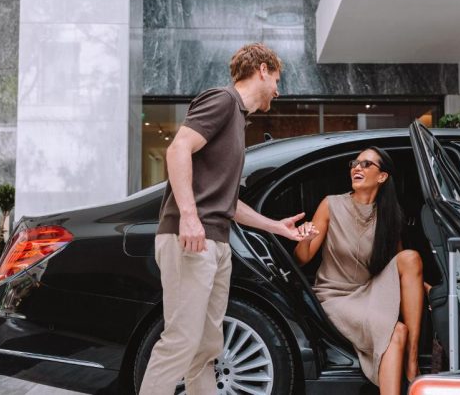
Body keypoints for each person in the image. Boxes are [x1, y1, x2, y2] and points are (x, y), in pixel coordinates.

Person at [139, 43, 306, 395]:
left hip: (216, 241)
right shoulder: (222, 100)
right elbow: (178, 149)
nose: (278, 91)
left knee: (208, 344)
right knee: (182, 339)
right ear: (262, 70)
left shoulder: (237, 120)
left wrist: (276, 226)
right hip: (191, 240)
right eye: (277, 80)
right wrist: (189, 217)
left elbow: (228, 202)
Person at [294, 147, 424, 394]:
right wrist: (305, 239)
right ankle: (406, 375)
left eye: (366, 164)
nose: (357, 167)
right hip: (335, 295)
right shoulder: (331, 205)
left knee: (411, 257)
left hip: (369, 289)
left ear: (382, 176)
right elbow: (302, 259)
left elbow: (399, 265)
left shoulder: (389, 215)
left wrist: (428, 289)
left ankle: (412, 360)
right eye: (355, 163)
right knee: (397, 331)